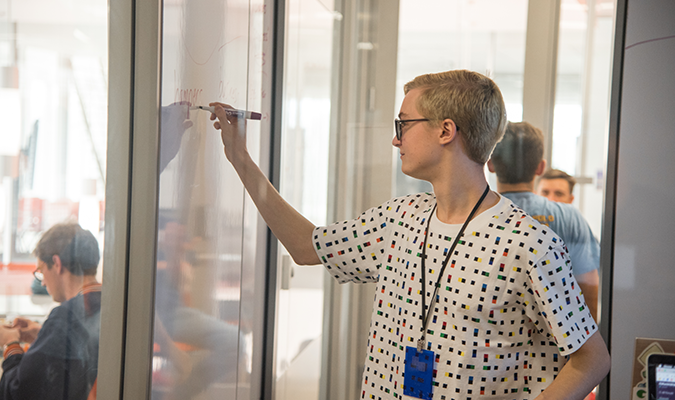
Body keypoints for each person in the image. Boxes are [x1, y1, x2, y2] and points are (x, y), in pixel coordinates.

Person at [209, 69, 610, 399]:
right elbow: (306, 246)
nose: (396, 138)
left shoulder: (529, 243)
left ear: (445, 130)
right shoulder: (400, 218)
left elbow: (592, 359)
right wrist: (240, 158)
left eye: (404, 123)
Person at [487, 121, 601, 322]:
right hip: (556, 345)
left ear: (490, 164)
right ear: (540, 168)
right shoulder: (569, 217)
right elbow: (589, 285)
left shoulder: (476, 215)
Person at [0, 222, 102, 400]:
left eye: (40, 271)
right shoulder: (108, 303)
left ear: (56, 263)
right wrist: (43, 333)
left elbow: (20, 391)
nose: (44, 282)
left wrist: (10, 343)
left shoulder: (65, 317)